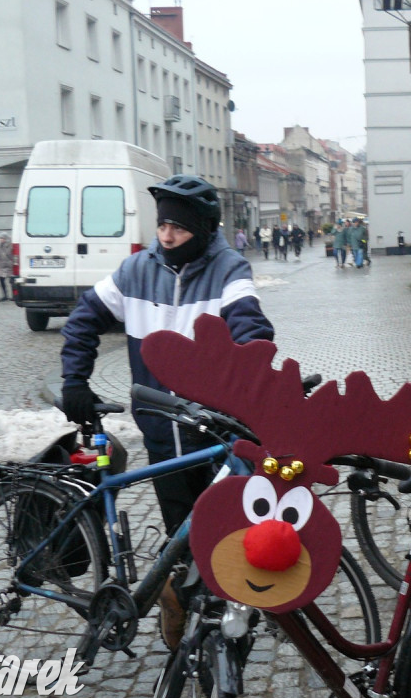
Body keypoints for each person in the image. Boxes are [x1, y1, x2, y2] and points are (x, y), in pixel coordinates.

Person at [58, 174, 275, 649]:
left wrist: (257, 365)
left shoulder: (228, 268)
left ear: (203, 227)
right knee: (181, 535)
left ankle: (218, 621)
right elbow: (83, 320)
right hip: (160, 431)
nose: (168, 236)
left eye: (179, 227)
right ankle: (180, 625)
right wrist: (75, 379)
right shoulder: (135, 270)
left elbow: (248, 322)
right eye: (163, 226)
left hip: (214, 432)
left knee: (224, 533)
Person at [0, 231, 13, 301]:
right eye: (0, 238)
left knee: (12, 281)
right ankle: (5, 295)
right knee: (1, 280)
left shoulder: (10, 245)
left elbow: (10, 255)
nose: (0, 239)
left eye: (2, 238)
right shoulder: (0, 246)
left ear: (5, 238)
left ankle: (14, 295)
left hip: (9, 266)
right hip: (2, 266)